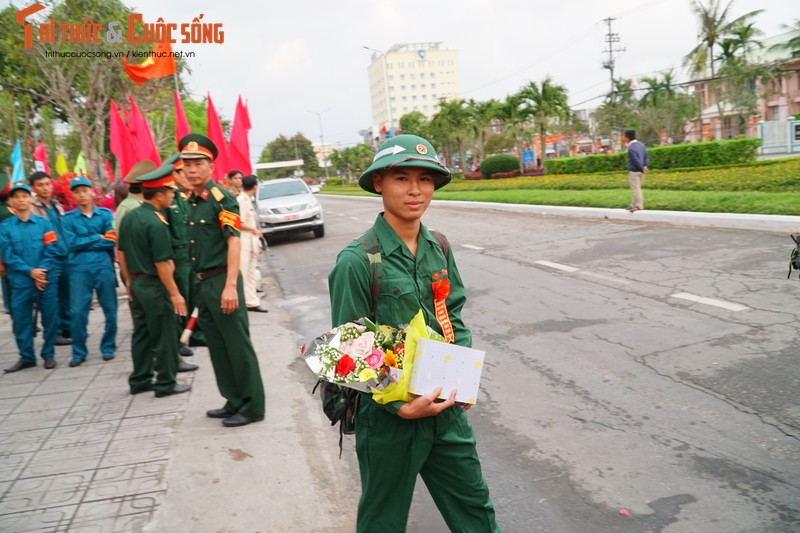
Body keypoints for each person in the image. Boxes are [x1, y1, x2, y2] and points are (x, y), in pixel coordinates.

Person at [328, 134, 499, 532]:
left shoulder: (438, 245)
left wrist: (461, 379)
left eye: (425, 179)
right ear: (378, 184)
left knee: (475, 510)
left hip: (444, 408)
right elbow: (350, 347)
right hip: (389, 420)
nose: (415, 190)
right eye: (401, 178)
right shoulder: (358, 260)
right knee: (383, 520)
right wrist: (398, 407)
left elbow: (452, 314)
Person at [180, 133, 265, 427]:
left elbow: (233, 242)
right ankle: (233, 399)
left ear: (210, 165)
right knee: (218, 347)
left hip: (222, 281)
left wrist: (231, 286)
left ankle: (252, 405)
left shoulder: (221, 199)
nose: (191, 169)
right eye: (186, 163)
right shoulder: (192, 200)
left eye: (198, 163)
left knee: (237, 346)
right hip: (203, 284)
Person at [117, 162, 190, 397]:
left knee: (142, 334)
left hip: (137, 284)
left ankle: (140, 379)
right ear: (158, 195)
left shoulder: (130, 215)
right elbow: (162, 263)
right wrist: (174, 293)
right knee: (165, 334)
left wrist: (129, 281)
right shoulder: (156, 222)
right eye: (170, 192)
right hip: (155, 285)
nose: (172, 196)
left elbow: (122, 253)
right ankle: (166, 383)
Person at [0, 183, 63, 373]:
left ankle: (48, 354)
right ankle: (26, 357)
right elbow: (8, 254)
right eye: (16, 196)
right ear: (10, 201)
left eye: (24, 196)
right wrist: (30, 271)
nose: (20, 199)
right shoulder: (4, 226)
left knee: (50, 318)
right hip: (21, 281)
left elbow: (52, 248)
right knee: (21, 319)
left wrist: (41, 271)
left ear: (31, 199)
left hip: (45, 279)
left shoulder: (44, 223)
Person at [60, 176, 117, 367]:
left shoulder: (105, 215)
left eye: (85, 190)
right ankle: (78, 351)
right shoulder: (67, 219)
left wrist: (88, 240)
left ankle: (108, 347)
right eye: (77, 191)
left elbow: (111, 239)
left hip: (103, 266)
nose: (82, 195)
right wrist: (97, 237)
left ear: (92, 191)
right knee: (77, 312)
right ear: (73, 195)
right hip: (79, 269)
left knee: (110, 308)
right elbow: (71, 243)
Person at [29, 171, 71, 345]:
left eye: (47, 184)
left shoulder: (56, 205)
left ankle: (68, 328)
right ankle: (55, 333)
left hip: (65, 255)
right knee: (50, 300)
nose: (45, 188)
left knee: (66, 295)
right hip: (48, 259)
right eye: (40, 185)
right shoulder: (32, 207)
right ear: (33, 188)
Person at [237, 174, 267, 312]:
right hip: (243, 242)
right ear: (255, 187)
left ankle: (251, 301)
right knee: (243, 273)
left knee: (250, 273)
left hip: (250, 242)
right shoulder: (242, 200)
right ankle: (244, 302)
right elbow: (238, 222)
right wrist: (254, 229)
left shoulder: (247, 199)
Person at [623, 129, 649, 212]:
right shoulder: (641, 145)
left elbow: (634, 160)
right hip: (642, 171)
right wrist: (644, 166)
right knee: (637, 188)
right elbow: (646, 156)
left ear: (627, 138)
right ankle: (633, 205)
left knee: (636, 189)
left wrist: (641, 167)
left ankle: (638, 206)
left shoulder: (631, 148)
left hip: (634, 171)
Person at [0, 174, 14, 314]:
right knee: (9, 283)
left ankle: (10, 307)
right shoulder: (5, 211)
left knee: (6, 282)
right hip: (6, 252)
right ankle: (12, 309)